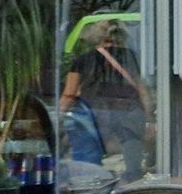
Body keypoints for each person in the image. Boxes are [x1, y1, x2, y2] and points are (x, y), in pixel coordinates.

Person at [59, 21, 152, 179]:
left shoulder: (82, 60)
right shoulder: (132, 57)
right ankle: (130, 188)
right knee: (132, 155)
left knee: (89, 157)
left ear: (95, 38)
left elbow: (70, 94)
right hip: (129, 110)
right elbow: (142, 90)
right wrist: (149, 117)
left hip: (95, 112)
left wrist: (60, 113)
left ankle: (92, 186)